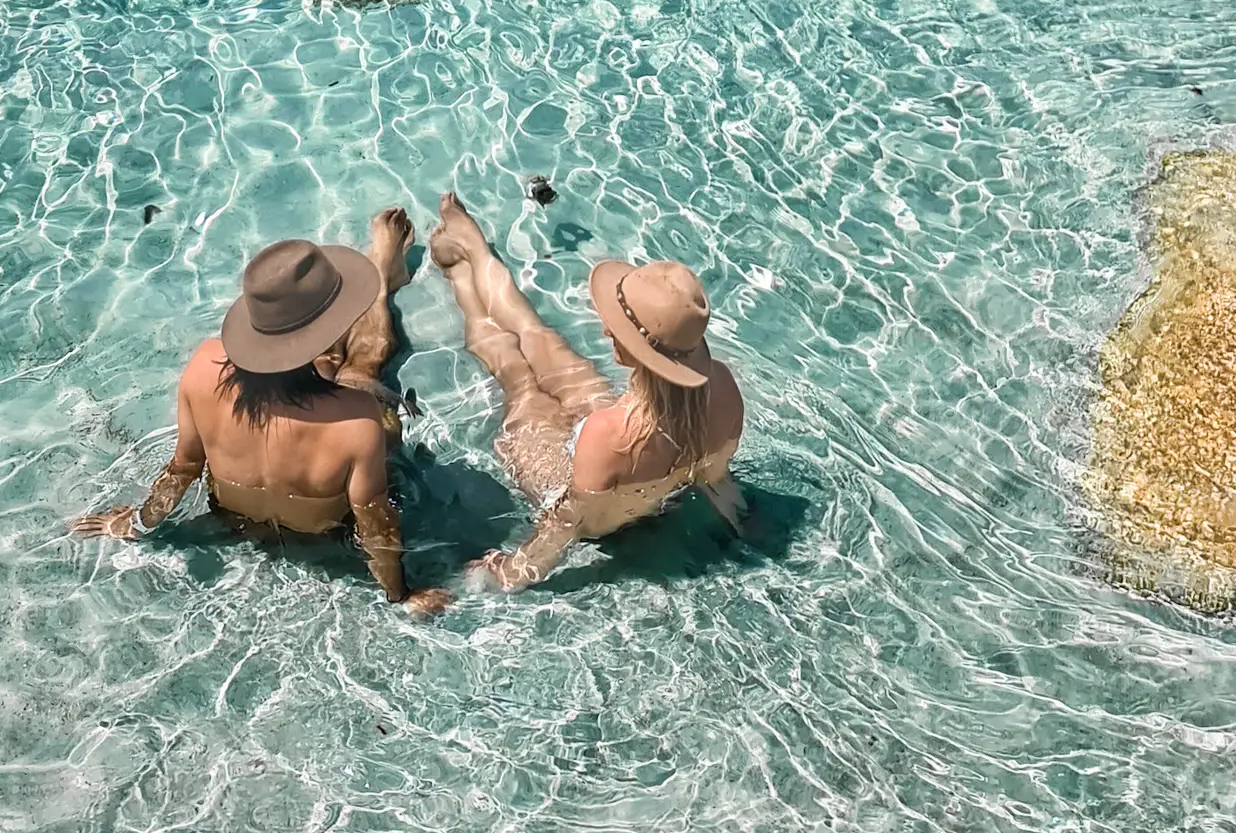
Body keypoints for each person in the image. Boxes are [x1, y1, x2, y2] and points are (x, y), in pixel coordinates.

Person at [73, 211, 449, 612]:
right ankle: (379, 276)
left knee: (328, 366)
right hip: (321, 534)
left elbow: (181, 470)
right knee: (363, 366)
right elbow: (375, 525)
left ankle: (369, 282)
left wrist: (133, 524)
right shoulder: (357, 422)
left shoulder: (203, 366)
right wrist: (401, 594)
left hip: (235, 523)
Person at [430, 189, 746, 590]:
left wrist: (509, 572)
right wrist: (739, 520)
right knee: (538, 337)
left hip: (569, 472)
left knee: (517, 374)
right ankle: (476, 253)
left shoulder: (609, 435)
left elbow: (568, 523)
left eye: (615, 328)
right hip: (625, 423)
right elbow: (716, 474)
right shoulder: (723, 388)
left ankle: (460, 270)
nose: (605, 329)